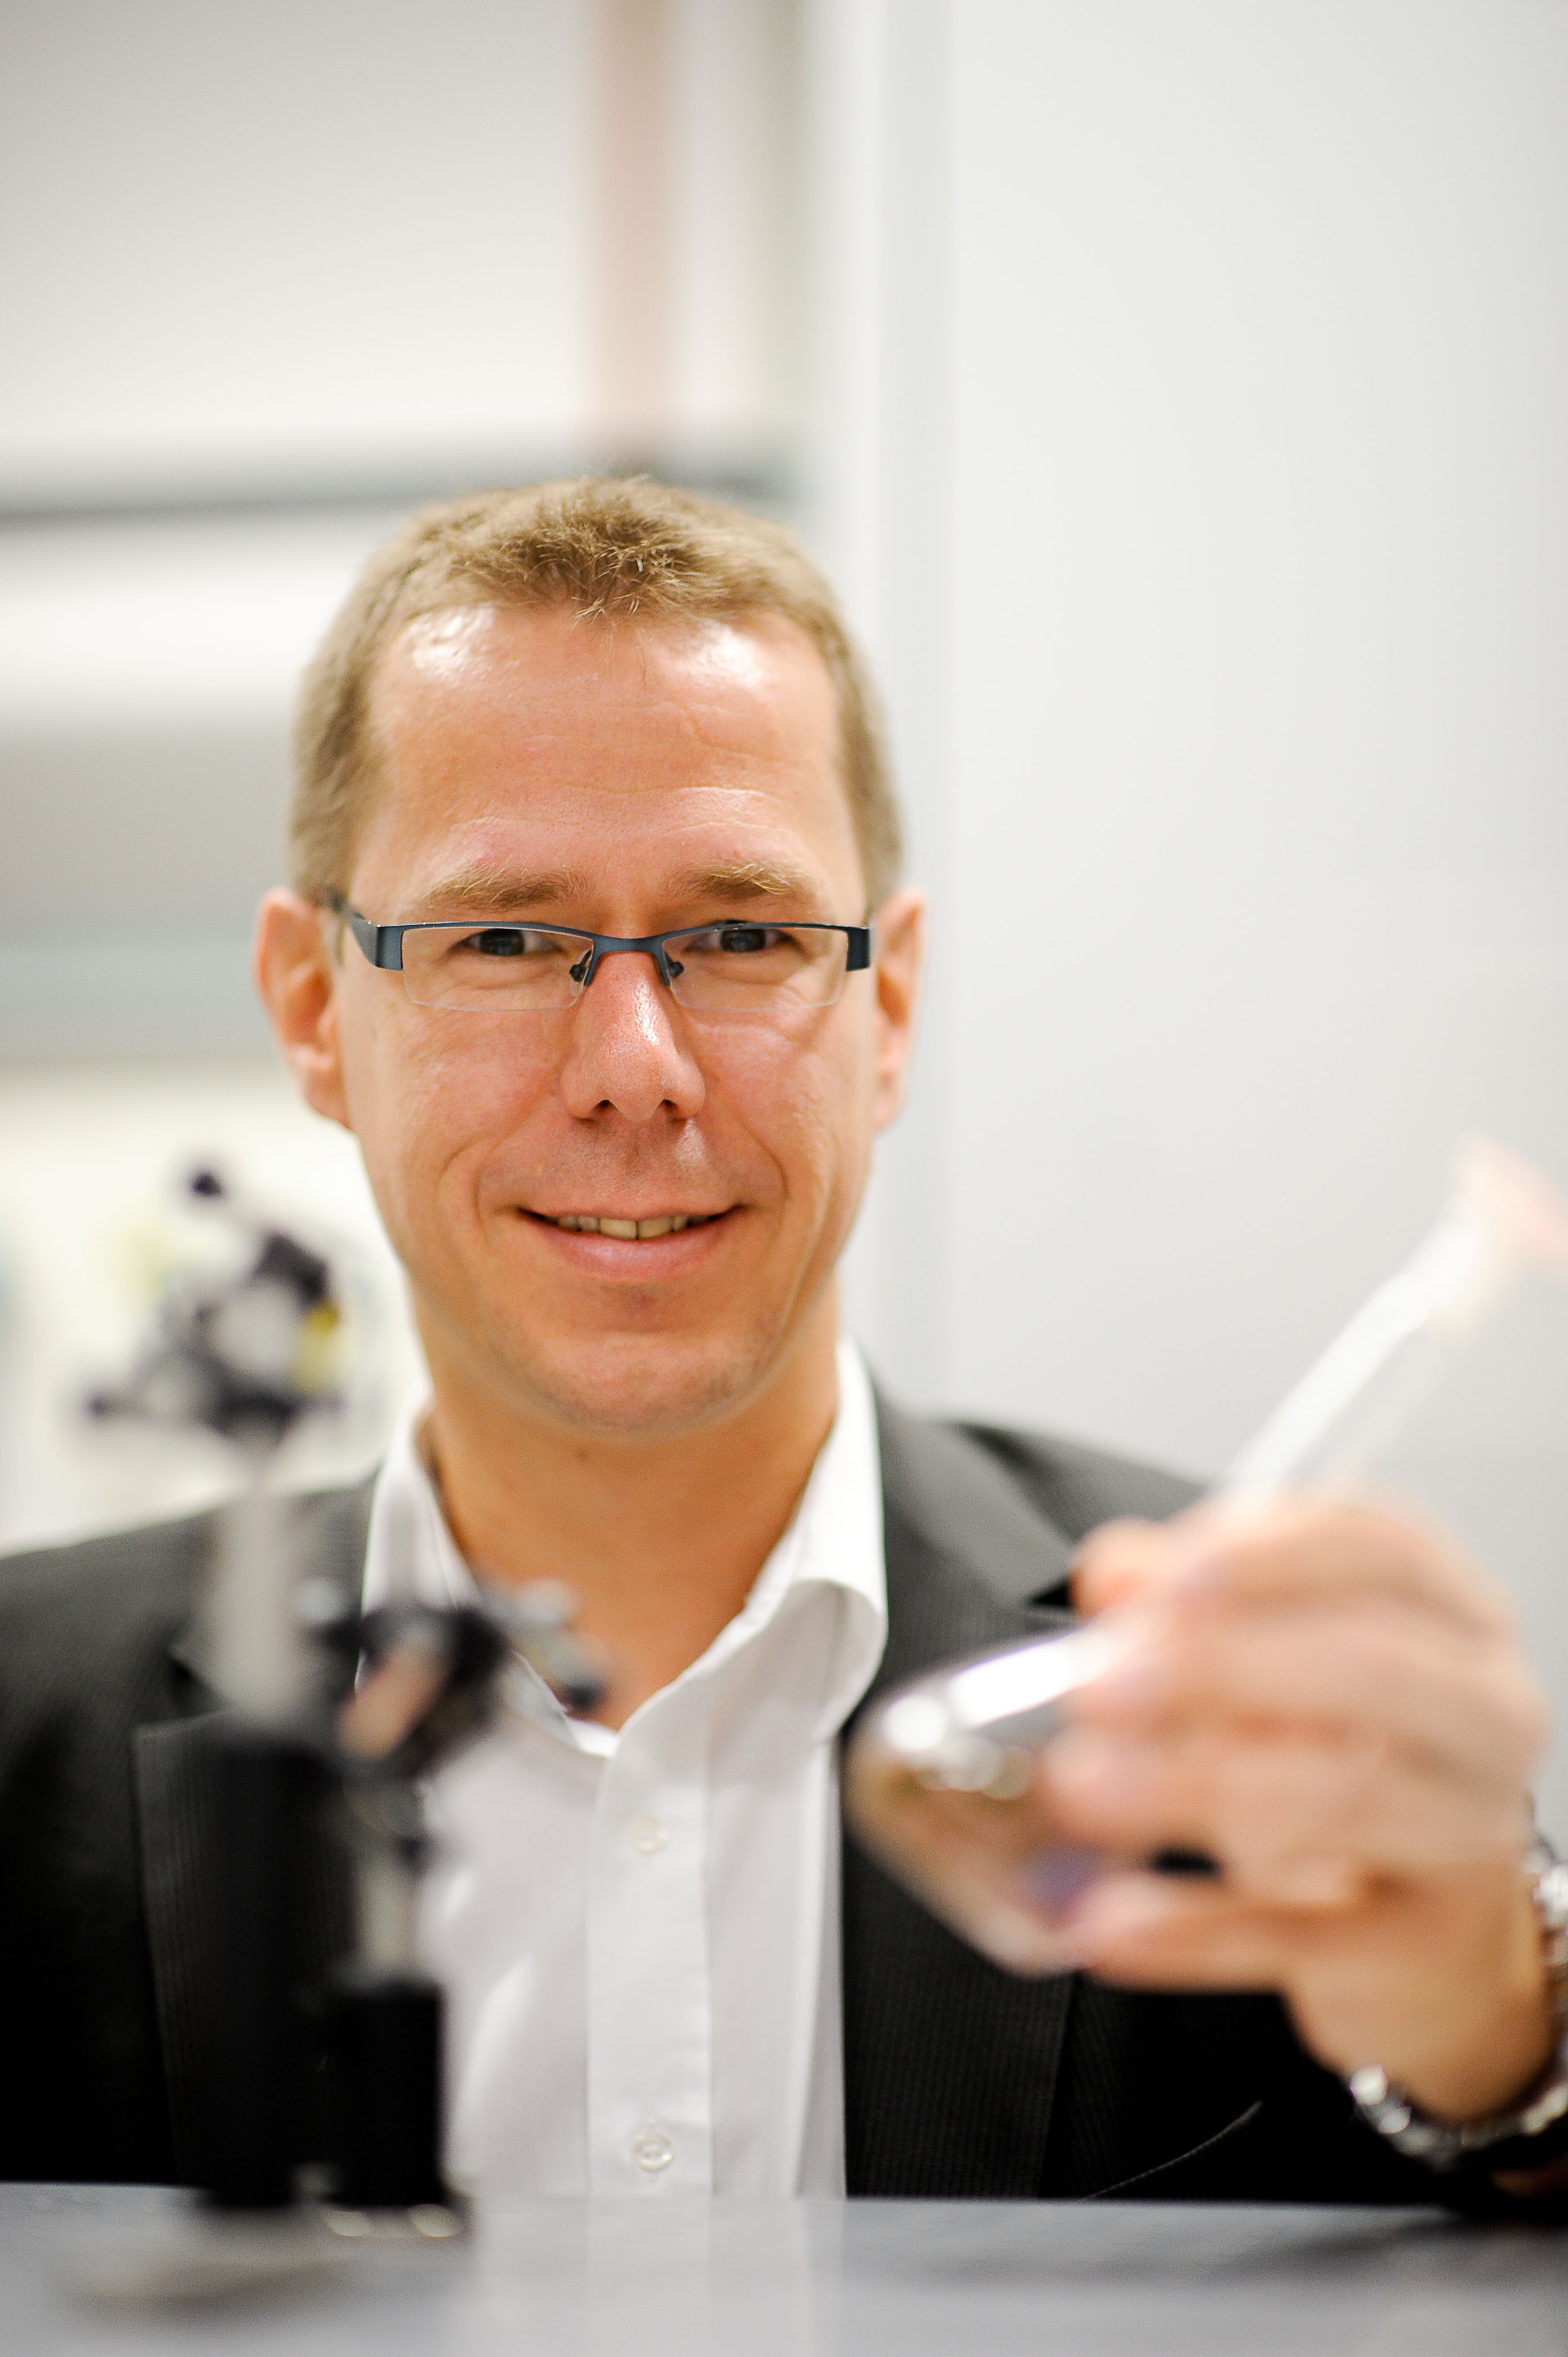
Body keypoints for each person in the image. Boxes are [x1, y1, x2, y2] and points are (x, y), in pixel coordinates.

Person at [1, 477, 1563, 2209]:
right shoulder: (15, 1731)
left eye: (744, 936)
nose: (635, 1068)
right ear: (314, 1008)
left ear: (885, 1010)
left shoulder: (1233, 1693)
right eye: (503, 937)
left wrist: (1504, 2041)